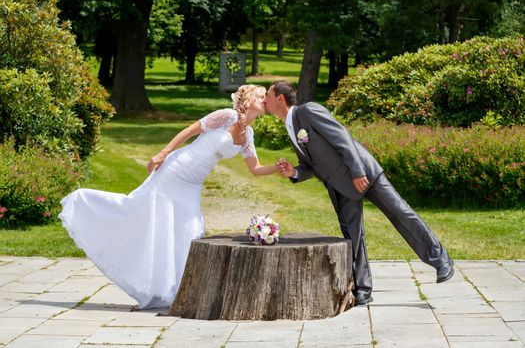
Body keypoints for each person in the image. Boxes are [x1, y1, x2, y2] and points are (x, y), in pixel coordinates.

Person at [59, 85, 277, 309]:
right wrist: (162, 154)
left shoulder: (248, 134)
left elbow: (256, 168)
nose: (264, 100)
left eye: (264, 97)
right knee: (141, 213)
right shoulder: (226, 116)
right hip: (175, 171)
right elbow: (190, 130)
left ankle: (176, 290)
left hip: (192, 185)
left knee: (189, 231)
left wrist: (279, 167)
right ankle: (82, 203)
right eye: (260, 96)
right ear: (248, 99)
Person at [264, 81, 454, 306]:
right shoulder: (291, 127)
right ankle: (363, 289)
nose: (264, 100)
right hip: (340, 185)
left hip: (364, 173)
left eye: (267, 95)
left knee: (401, 213)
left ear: (280, 98)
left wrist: (357, 171)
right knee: (353, 235)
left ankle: (441, 260)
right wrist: (295, 171)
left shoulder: (308, 111)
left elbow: (341, 136)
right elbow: (313, 163)